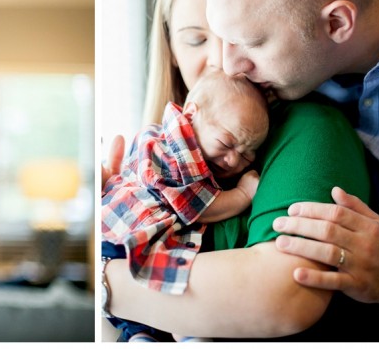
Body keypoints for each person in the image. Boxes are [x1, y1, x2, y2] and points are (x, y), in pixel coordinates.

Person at [100, 0, 379, 341]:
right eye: (196, 39)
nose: (224, 60)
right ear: (171, 50)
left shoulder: (308, 127)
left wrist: (106, 275)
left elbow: (284, 293)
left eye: (236, 34)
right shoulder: (150, 155)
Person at [205, 0, 379, 312]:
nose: (229, 66)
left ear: (337, 22)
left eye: (250, 43)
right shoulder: (301, 67)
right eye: (221, 37)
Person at [102, 70, 267, 342]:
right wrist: (242, 195)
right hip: (128, 240)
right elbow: (196, 205)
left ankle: (141, 337)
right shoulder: (174, 150)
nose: (233, 160)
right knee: (176, 302)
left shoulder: (165, 138)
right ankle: (188, 336)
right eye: (227, 143)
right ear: (190, 114)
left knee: (143, 321)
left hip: (118, 244)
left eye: (247, 155)